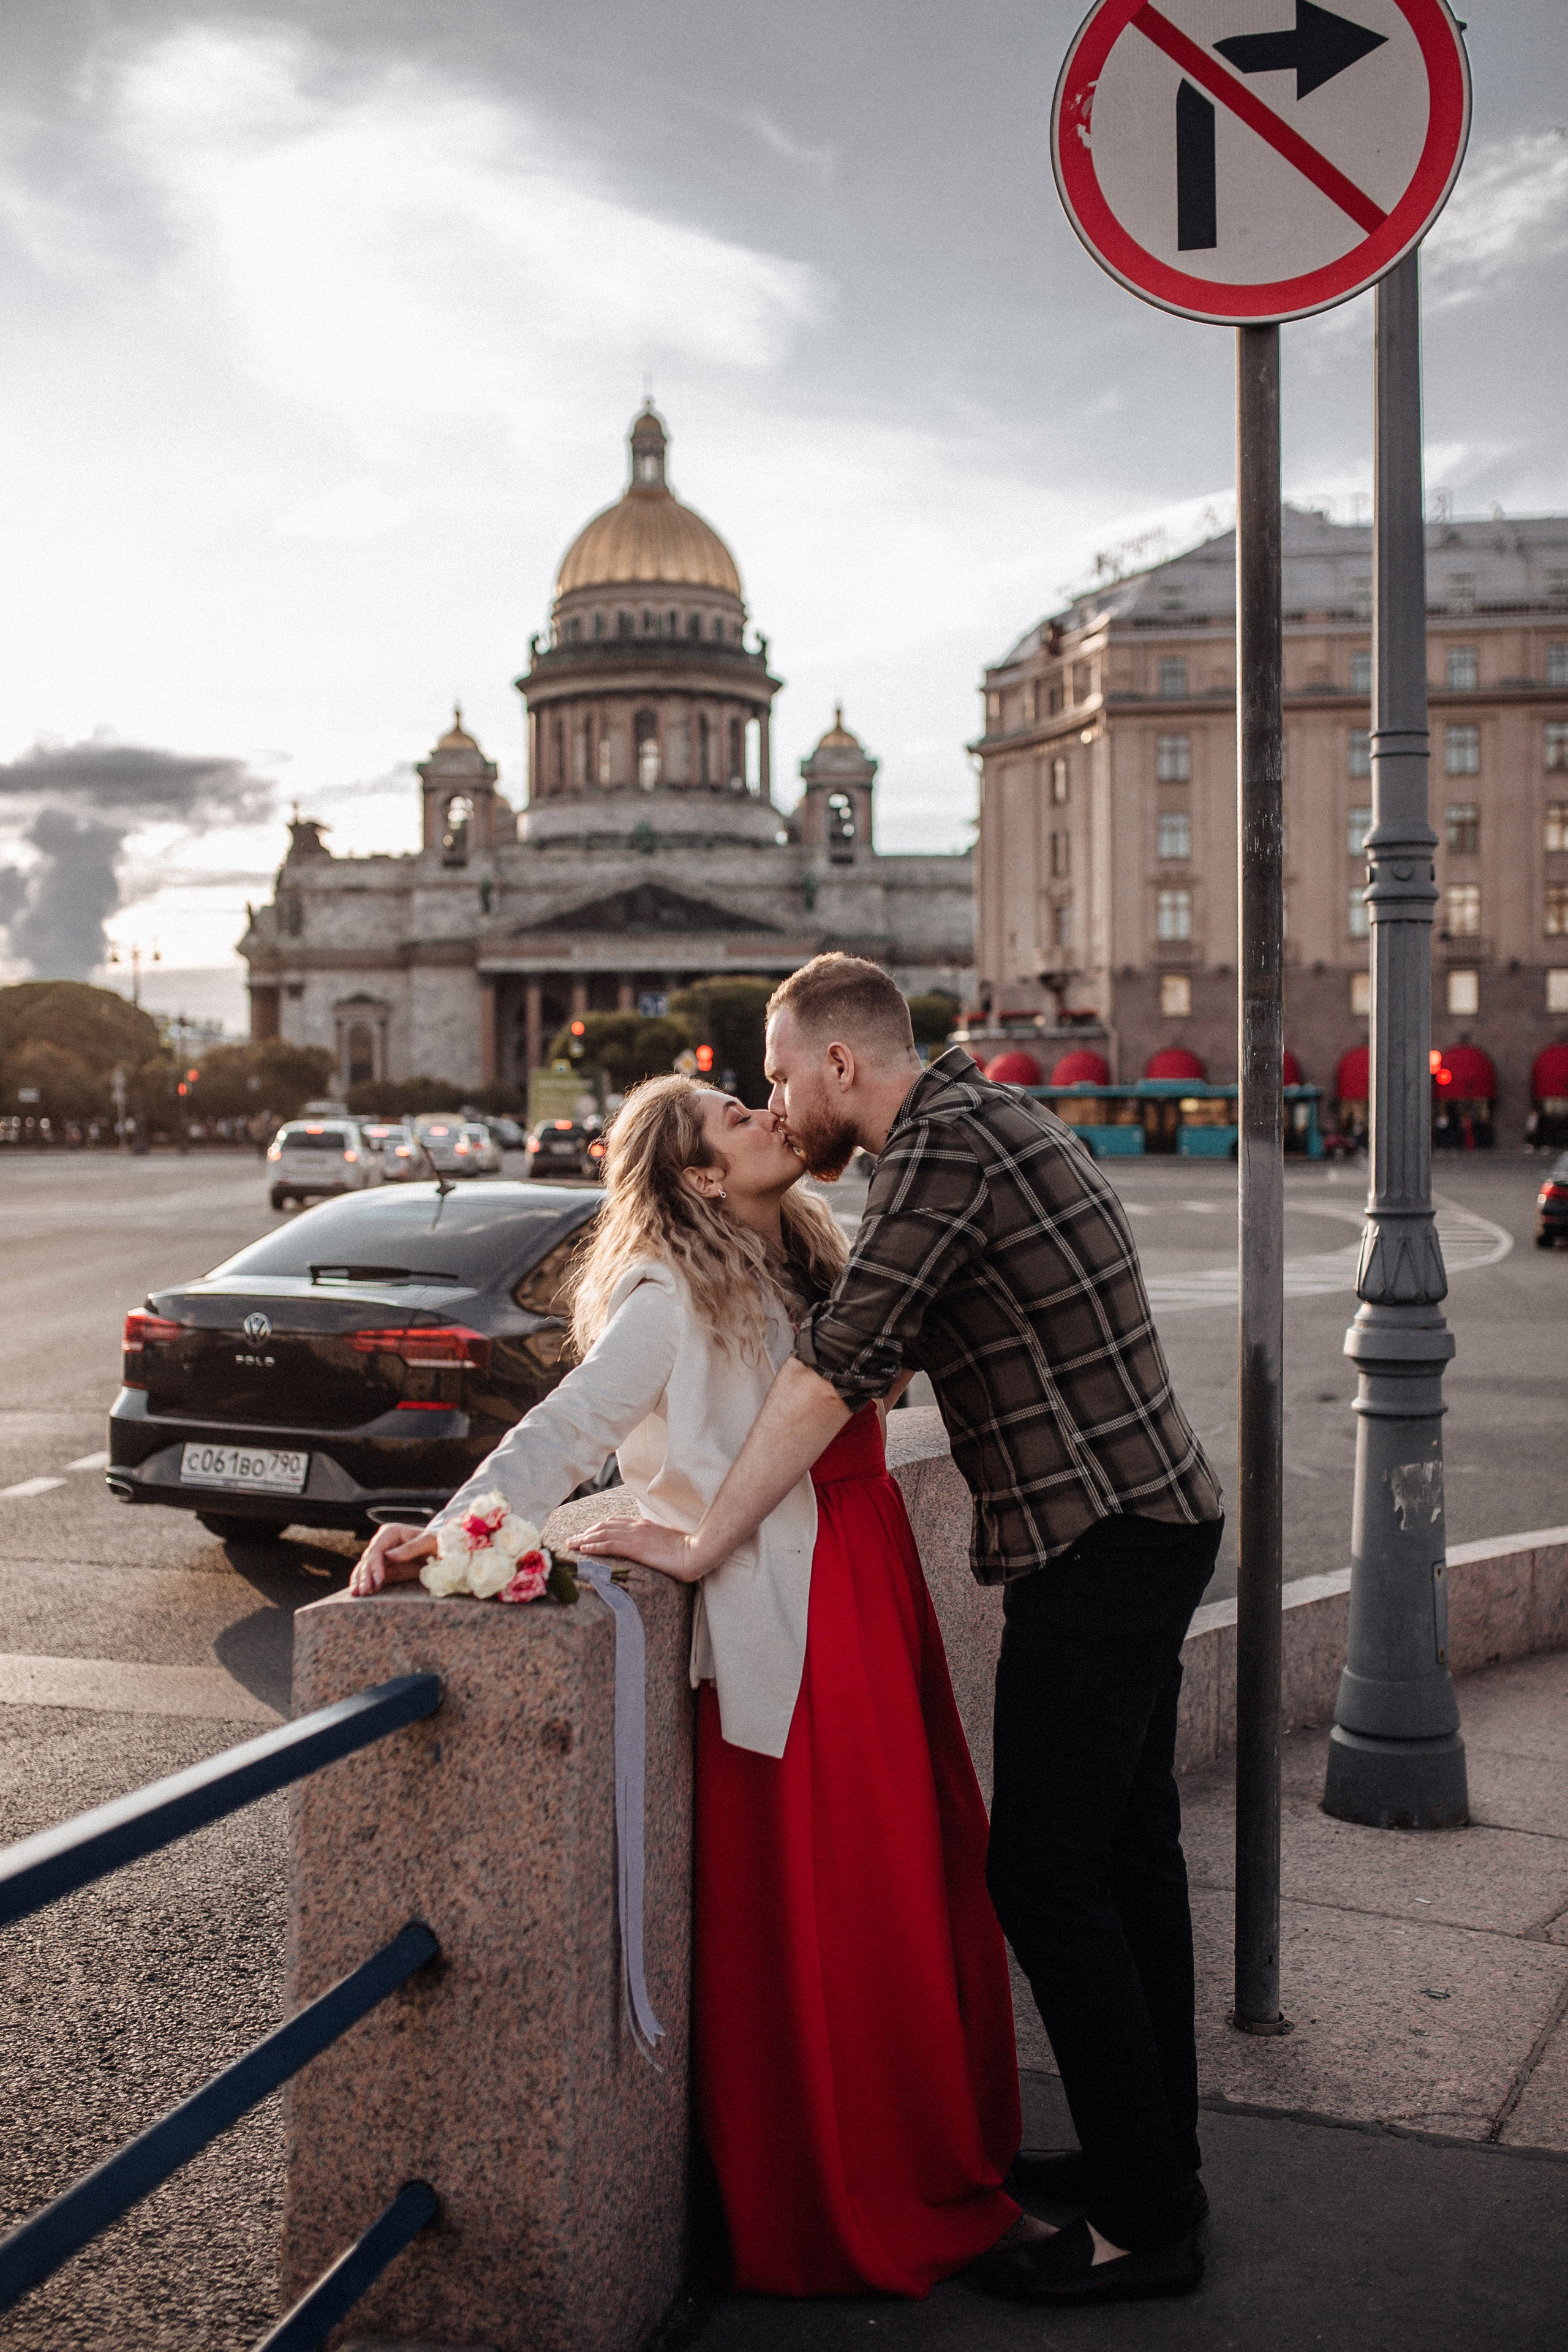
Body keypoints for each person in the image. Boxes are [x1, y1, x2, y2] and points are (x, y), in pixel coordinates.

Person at [579, 956, 1224, 2309]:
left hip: (1098, 1538)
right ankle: (1152, 2161)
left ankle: (1143, 2225)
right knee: (1126, 1855)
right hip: (1147, 1517)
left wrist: (697, 1542)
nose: (771, 1103)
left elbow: (834, 1370)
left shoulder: (939, 1154)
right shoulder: (986, 1117)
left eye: (773, 1075)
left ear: (836, 1066)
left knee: (1046, 1878)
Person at [349, 1072, 1025, 2299]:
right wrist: (438, 1537)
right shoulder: (665, 1293)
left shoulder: (808, 1265)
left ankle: (922, 2154)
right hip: (796, 1605)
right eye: (730, 1115)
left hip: (865, 1574)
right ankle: (834, 2195)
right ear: (699, 1177)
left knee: (899, 1878)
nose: (766, 1111)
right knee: (833, 1905)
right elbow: (563, 1428)